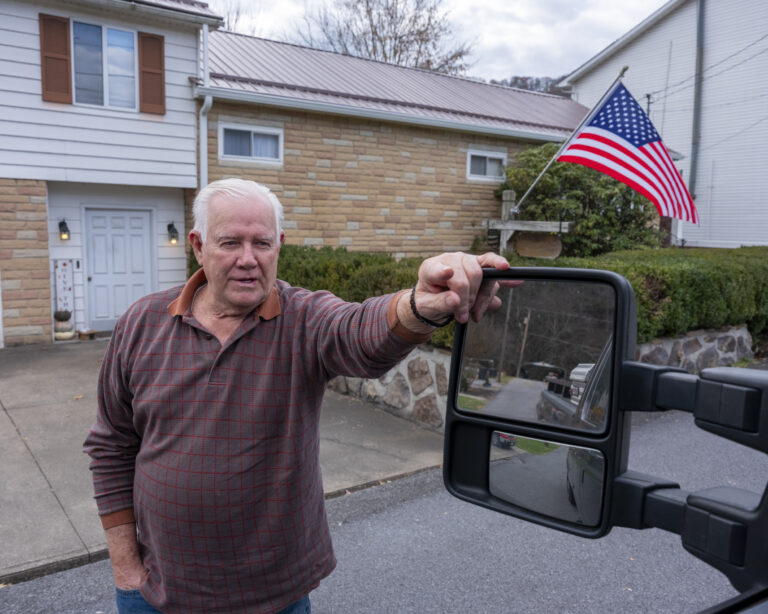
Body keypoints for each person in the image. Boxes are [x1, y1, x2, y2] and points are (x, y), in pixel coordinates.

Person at [83, 178, 512, 614]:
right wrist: (126, 570)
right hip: (155, 595)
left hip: (275, 599)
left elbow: (359, 331)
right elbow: (111, 446)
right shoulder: (141, 323)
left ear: (279, 246)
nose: (248, 259)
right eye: (230, 242)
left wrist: (418, 305)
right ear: (198, 245)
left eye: (262, 243)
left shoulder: (304, 319)